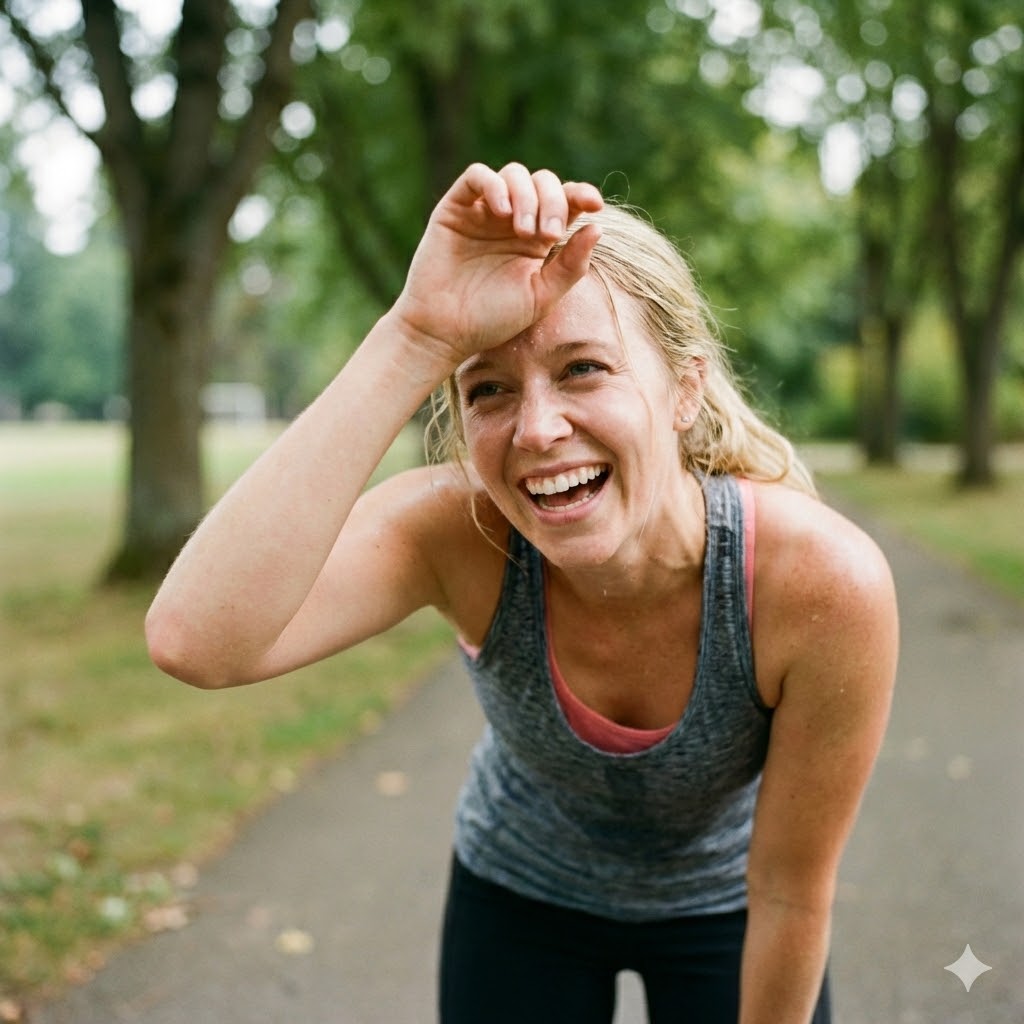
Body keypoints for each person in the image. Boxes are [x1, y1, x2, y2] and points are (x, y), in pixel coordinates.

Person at [146, 162, 898, 1023]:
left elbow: (793, 893)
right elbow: (194, 640)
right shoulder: (458, 536)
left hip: (733, 904)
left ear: (685, 388)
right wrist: (416, 331)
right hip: (521, 890)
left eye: (583, 369)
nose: (538, 430)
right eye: (490, 388)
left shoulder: (822, 586)